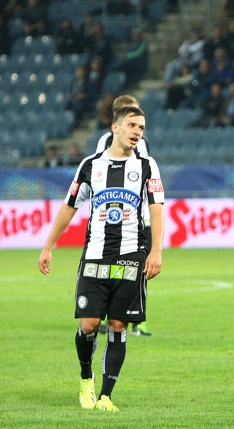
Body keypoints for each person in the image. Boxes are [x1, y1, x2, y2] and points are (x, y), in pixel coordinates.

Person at [38, 106, 165, 412]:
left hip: (132, 255)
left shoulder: (147, 166)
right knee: (89, 324)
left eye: (142, 128)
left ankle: (107, 396)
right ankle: (86, 378)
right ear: (115, 127)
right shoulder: (90, 165)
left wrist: (156, 250)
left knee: (119, 324)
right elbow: (70, 206)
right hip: (95, 255)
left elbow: (157, 208)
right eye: (132, 125)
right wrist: (48, 246)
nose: (137, 131)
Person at [95, 95, 154, 337]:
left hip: (140, 220)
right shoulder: (104, 141)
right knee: (106, 269)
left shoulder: (142, 143)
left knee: (140, 270)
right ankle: (104, 315)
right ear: (117, 119)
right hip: (112, 221)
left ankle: (137, 320)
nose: (137, 127)